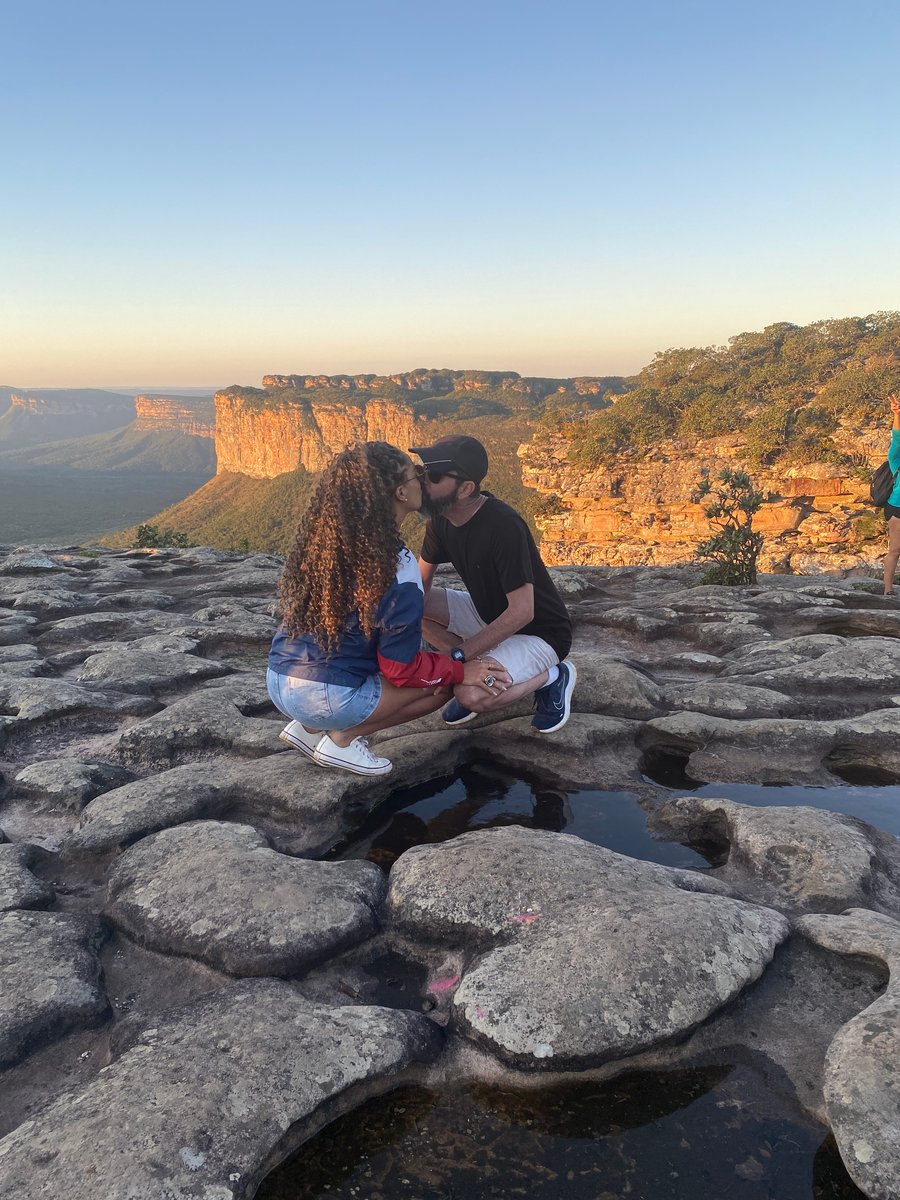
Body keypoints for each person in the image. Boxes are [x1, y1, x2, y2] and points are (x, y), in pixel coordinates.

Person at [266, 441, 511, 776]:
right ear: (400, 492)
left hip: (280, 680)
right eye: (416, 474)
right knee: (440, 687)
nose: (423, 480)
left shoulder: (329, 546)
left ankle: (307, 730)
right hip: (324, 696)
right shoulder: (396, 572)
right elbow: (400, 669)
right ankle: (341, 740)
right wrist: (458, 669)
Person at [410, 434, 576, 731]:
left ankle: (552, 676)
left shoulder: (502, 525)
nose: (423, 481)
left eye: (433, 475)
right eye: (422, 471)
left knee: (470, 694)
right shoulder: (441, 520)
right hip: (487, 615)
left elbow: (523, 611)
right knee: (408, 603)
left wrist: (459, 656)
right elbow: (419, 584)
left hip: (539, 633)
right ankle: (480, 663)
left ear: (465, 489)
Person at [883, 393, 900, 597]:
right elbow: (897, 438)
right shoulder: (896, 459)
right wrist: (897, 414)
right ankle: (888, 590)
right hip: (897, 508)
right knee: (895, 550)